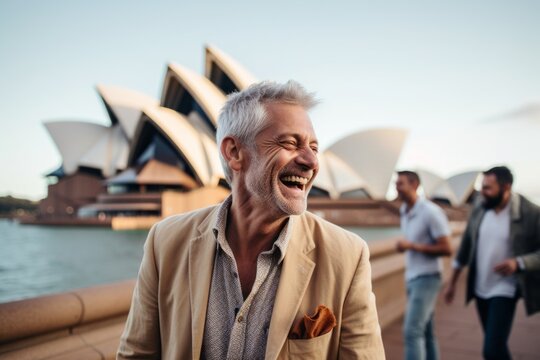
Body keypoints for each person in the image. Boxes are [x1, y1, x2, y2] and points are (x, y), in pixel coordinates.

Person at [117, 80, 385, 359]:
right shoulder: (165, 241)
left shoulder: (347, 255)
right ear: (234, 152)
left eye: (314, 148)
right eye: (290, 143)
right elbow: (137, 354)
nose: (311, 161)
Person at [444, 166, 540, 360]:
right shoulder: (480, 207)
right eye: (482, 187)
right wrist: (452, 283)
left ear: (506, 187)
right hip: (480, 289)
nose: (482, 193)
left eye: (488, 188)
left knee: (491, 349)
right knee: (495, 345)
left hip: (505, 289)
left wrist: (519, 262)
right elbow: (465, 246)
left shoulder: (531, 213)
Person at [395, 171, 452, 360]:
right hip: (412, 277)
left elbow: (447, 248)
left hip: (428, 278)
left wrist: (412, 246)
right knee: (427, 332)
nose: (396, 187)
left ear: (414, 185)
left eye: (400, 183)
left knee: (412, 331)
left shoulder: (431, 212)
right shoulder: (404, 211)